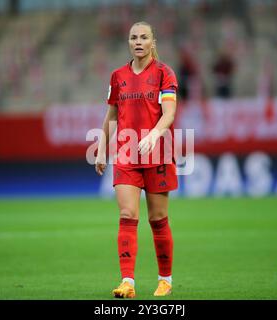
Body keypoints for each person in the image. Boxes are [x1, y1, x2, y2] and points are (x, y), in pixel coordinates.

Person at [95, 21, 178, 298]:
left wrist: (155, 135)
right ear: (129, 42)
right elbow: (112, 116)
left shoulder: (165, 74)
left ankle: (165, 279)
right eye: (133, 37)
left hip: (158, 153)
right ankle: (127, 282)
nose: (138, 41)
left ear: (153, 42)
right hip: (127, 154)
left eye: (144, 37)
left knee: (158, 218)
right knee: (127, 215)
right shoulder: (117, 76)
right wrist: (101, 146)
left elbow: (169, 113)